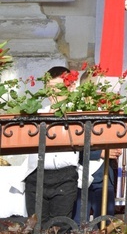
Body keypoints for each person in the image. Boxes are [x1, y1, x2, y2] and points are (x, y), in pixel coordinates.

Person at [24, 66, 79, 232]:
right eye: (50, 88)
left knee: (60, 227)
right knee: (36, 227)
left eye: (59, 88)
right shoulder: (38, 115)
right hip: (36, 176)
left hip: (64, 177)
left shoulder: (78, 115)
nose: (53, 93)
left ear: (70, 87)